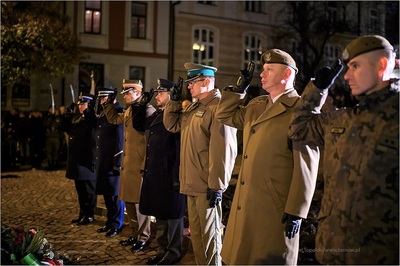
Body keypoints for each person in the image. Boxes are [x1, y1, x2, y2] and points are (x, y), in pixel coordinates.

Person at [289, 35, 399, 264]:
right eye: (347, 68)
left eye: (355, 66)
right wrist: (317, 90)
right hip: (332, 251)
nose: (347, 76)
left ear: (381, 66)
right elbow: (299, 129)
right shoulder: (344, 120)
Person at [216, 50, 319, 265]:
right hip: (247, 201)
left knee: (265, 258)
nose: (262, 74)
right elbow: (224, 115)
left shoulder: (299, 110)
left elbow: (306, 164)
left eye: (269, 69)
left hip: (274, 207)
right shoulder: (257, 105)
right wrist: (238, 91)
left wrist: (296, 211)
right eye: (262, 70)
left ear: (287, 75)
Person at [163, 63, 238, 265]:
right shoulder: (196, 106)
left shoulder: (219, 107)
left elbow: (224, 151)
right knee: (197, 236)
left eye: (193, 82)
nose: (189, 87)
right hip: (192, 182)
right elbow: (172, 125)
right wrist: (174, 102)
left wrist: (217, 185)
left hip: (207, 186)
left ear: (206, 82)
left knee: (210, 239)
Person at [102, 79, 156, 252]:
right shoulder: (131, 110)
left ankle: (144, 237)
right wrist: (109, 104)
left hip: (139, 166)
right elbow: (113, 119)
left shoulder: (147, 110)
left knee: (140, 205)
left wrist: (145, 164)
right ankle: (134, 234)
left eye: (128, 92)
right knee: (130, 204)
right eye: (124, 93)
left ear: (138, 92)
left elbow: (149, 140)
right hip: (128, 165)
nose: (125, 95)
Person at [139, 79, 186, 265]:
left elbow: (179, 148)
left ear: (171, 95)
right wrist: (142, 104)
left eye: (161, 93)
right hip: (157, 172)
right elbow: (138, 124)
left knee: (173, 216)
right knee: (160, 213)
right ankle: (162, 250)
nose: (157, 96)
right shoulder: (158, 115)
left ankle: (173, 252)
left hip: (170, 173)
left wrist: (177, 176)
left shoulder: (178, 115)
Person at [61, 93, 97, 225]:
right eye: (80, 104)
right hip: (77, 160)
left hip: (87, 161)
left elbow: (92, 127)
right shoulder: (77, 119)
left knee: (89, 191)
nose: (80, 106)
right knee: (81, 190)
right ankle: (82, 213)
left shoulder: (92, 118)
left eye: (83, 104)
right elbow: (65, 128)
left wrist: (89, 111)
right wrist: (66, 115)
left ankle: (90, 214)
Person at [94, 88, 125, 238]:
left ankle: (116, 224)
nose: (101, 102)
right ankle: (109, 222)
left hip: (113, 161)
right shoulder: (104, 113)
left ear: (112, 98)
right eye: (100, 99)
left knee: (115, 196)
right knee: (107, 194)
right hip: (104, 160)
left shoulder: (118, 112)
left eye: (104, 99)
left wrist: (117, 162)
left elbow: (120, 140)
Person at [44, 105, 63, 170]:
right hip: (49, 136)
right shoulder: (47, 117)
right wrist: (51, 117)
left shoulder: (58, 118)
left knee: (56, 150)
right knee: (49, 151)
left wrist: (55, 117)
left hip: (56, 136)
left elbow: (59, 125)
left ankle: (55, 163)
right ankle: (50, 163)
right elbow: (45, 124)